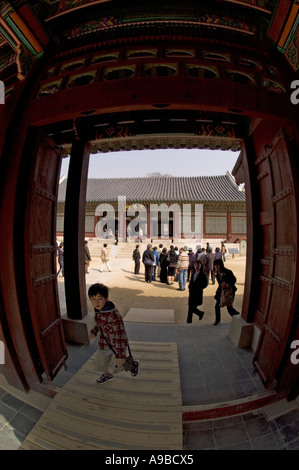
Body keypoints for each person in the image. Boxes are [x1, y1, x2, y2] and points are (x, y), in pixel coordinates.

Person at [89, 283, 139, 384]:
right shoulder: (98, 311)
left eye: (100, 298)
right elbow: (99, 324)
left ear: (106, 298)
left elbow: (120, 335)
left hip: (117, 344)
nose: (96, 302)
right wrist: (94, 331)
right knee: (101, 360)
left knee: (120, 363)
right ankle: (107, 374)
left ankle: (133, 365)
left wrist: (120, 354)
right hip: (104, 342)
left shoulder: (113, 315)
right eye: (93, 299)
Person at [213, 259, 240, 325]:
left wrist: (228, 284)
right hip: (221, 291)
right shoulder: (217, 273)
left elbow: (234, 279)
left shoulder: (228, 271)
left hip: (229, 291)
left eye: (217, 265)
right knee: (217, 306)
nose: (216, 267)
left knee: (229, 308)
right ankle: (217, 320)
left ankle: (238, 317)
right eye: (215, 265)